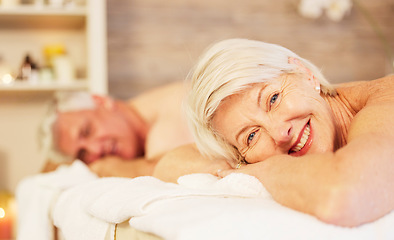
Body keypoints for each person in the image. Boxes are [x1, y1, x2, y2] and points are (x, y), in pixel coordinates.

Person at [155, 38, 394, 227]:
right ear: (241, 155)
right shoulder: (246, 157)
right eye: (251, 136)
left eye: (273, 99)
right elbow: (169, 163)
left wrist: (259, 170)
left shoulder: (384, 100)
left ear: (305, 74)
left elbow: (344, 196)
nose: (280, 134)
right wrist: (234, 168)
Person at [39, 81, 207, 177]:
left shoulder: (178, 108)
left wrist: (104, 168)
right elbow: (47, 169)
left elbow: (162, 169)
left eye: (87, 131)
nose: (96, 150)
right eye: (83, 153)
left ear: (102, 101)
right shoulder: (135, 117)